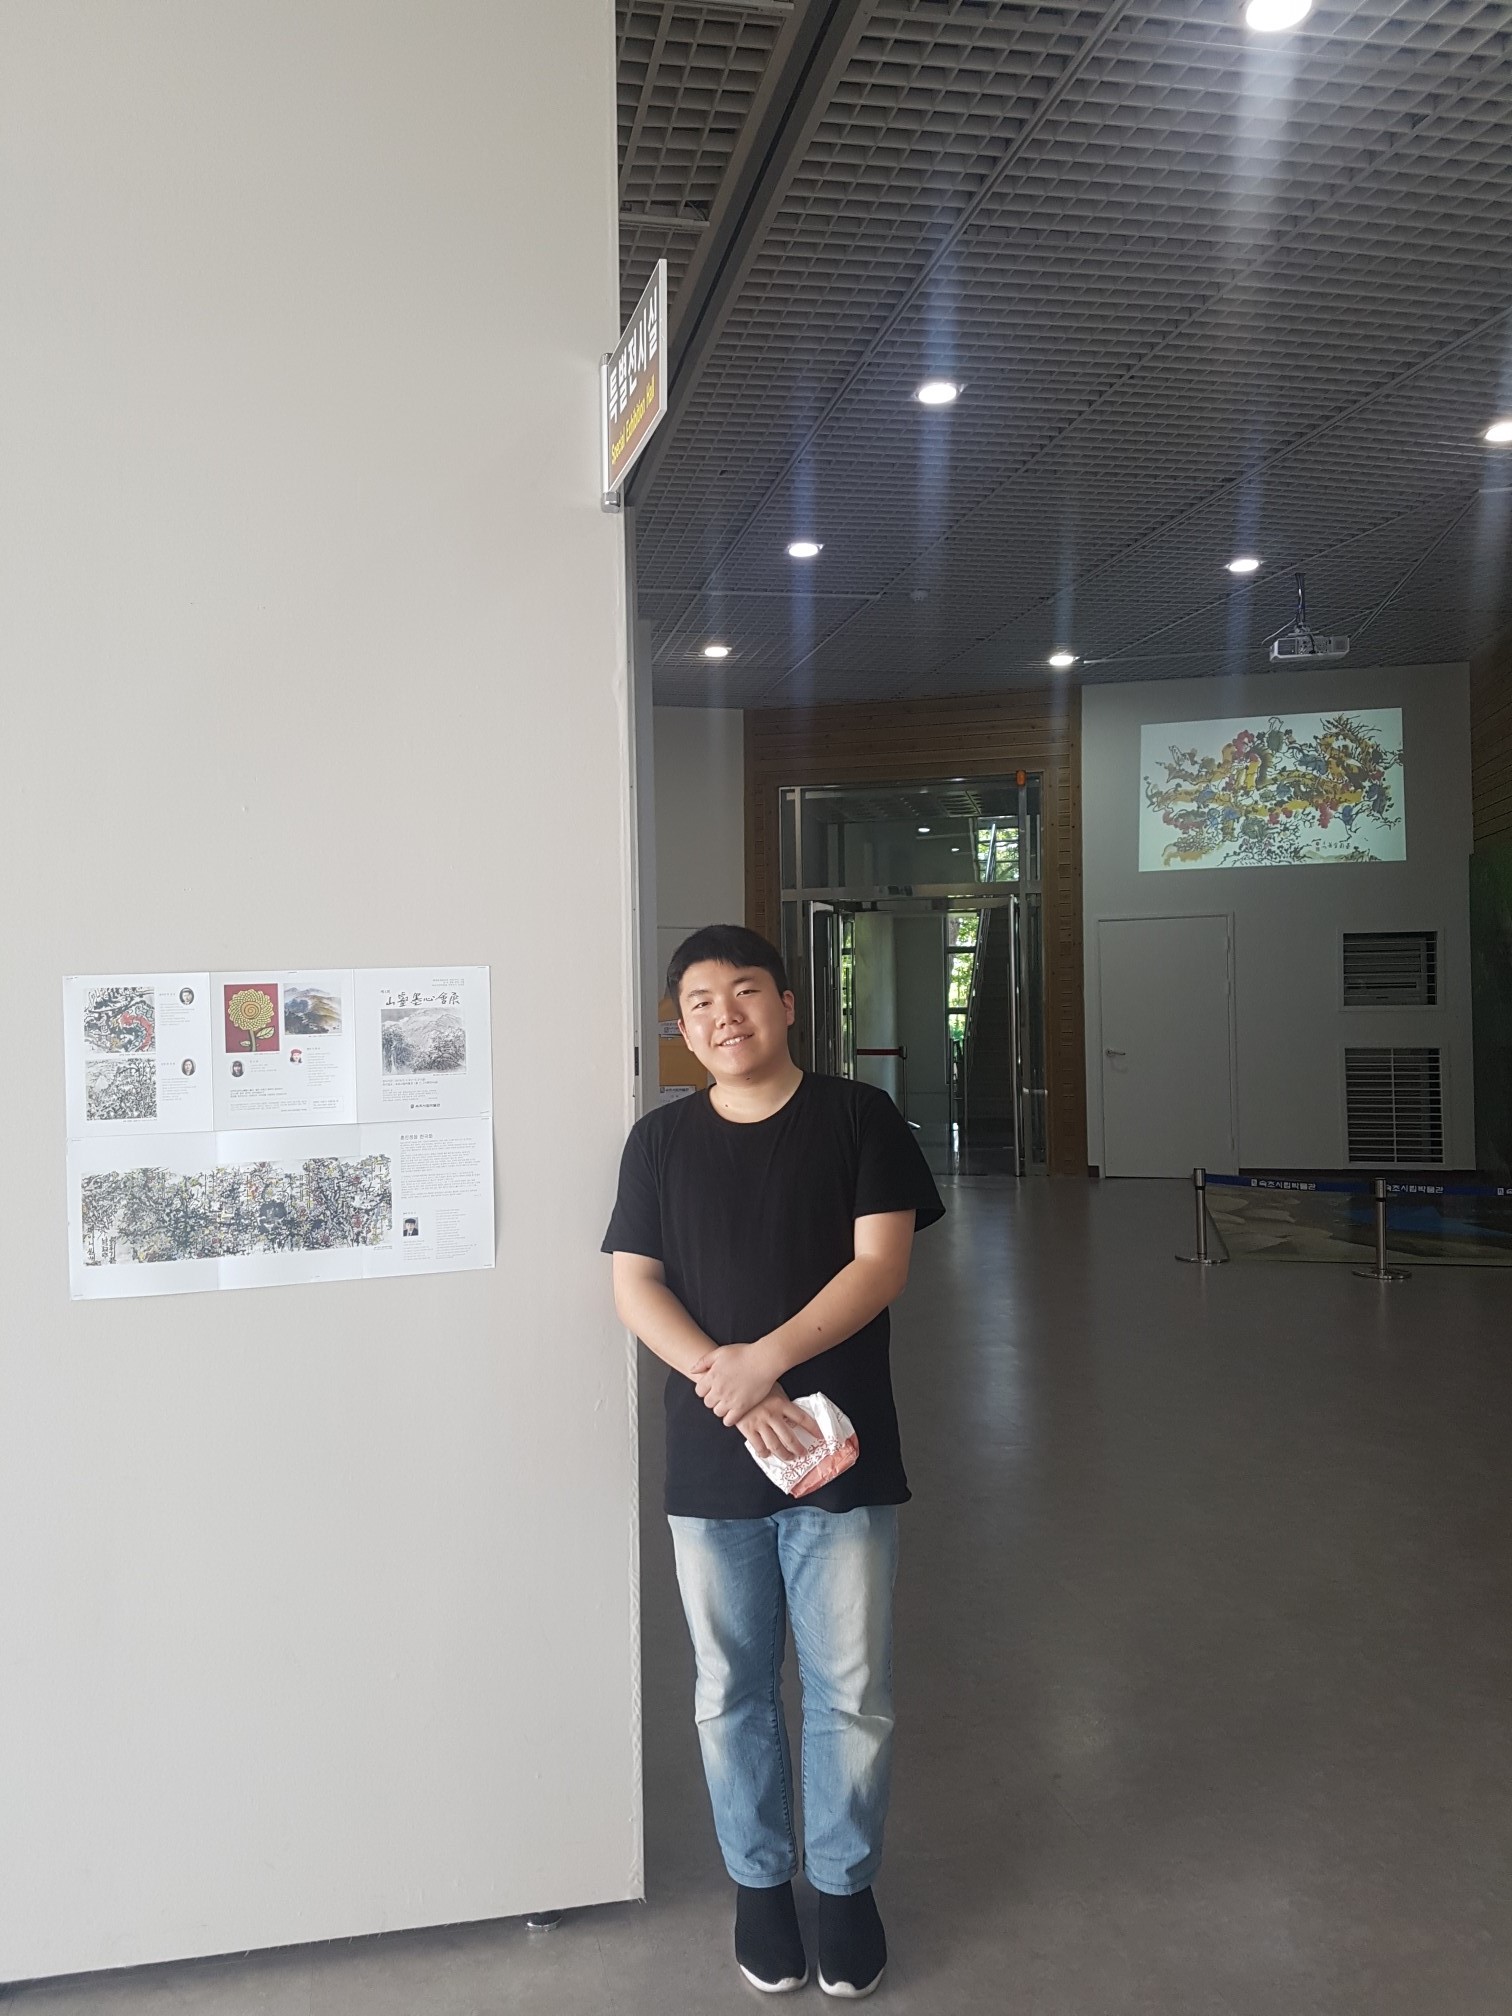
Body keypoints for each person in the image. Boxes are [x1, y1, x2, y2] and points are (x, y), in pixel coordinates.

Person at [603, 924, 943, 1999]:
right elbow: (634, 1283)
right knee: (730, 1688)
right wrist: (728, 1380)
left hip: (843, 1450)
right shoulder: (658, 1142)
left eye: (745, 992)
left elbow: (880, 1264)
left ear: (789, 1004)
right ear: (681, 1026)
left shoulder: (858, 1117)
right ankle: (758, 1884)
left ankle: (843, 1887)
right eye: (700, 1003)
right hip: (713, 1459)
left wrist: (768, 1361)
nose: (724, 1016)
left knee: (852, 1687)